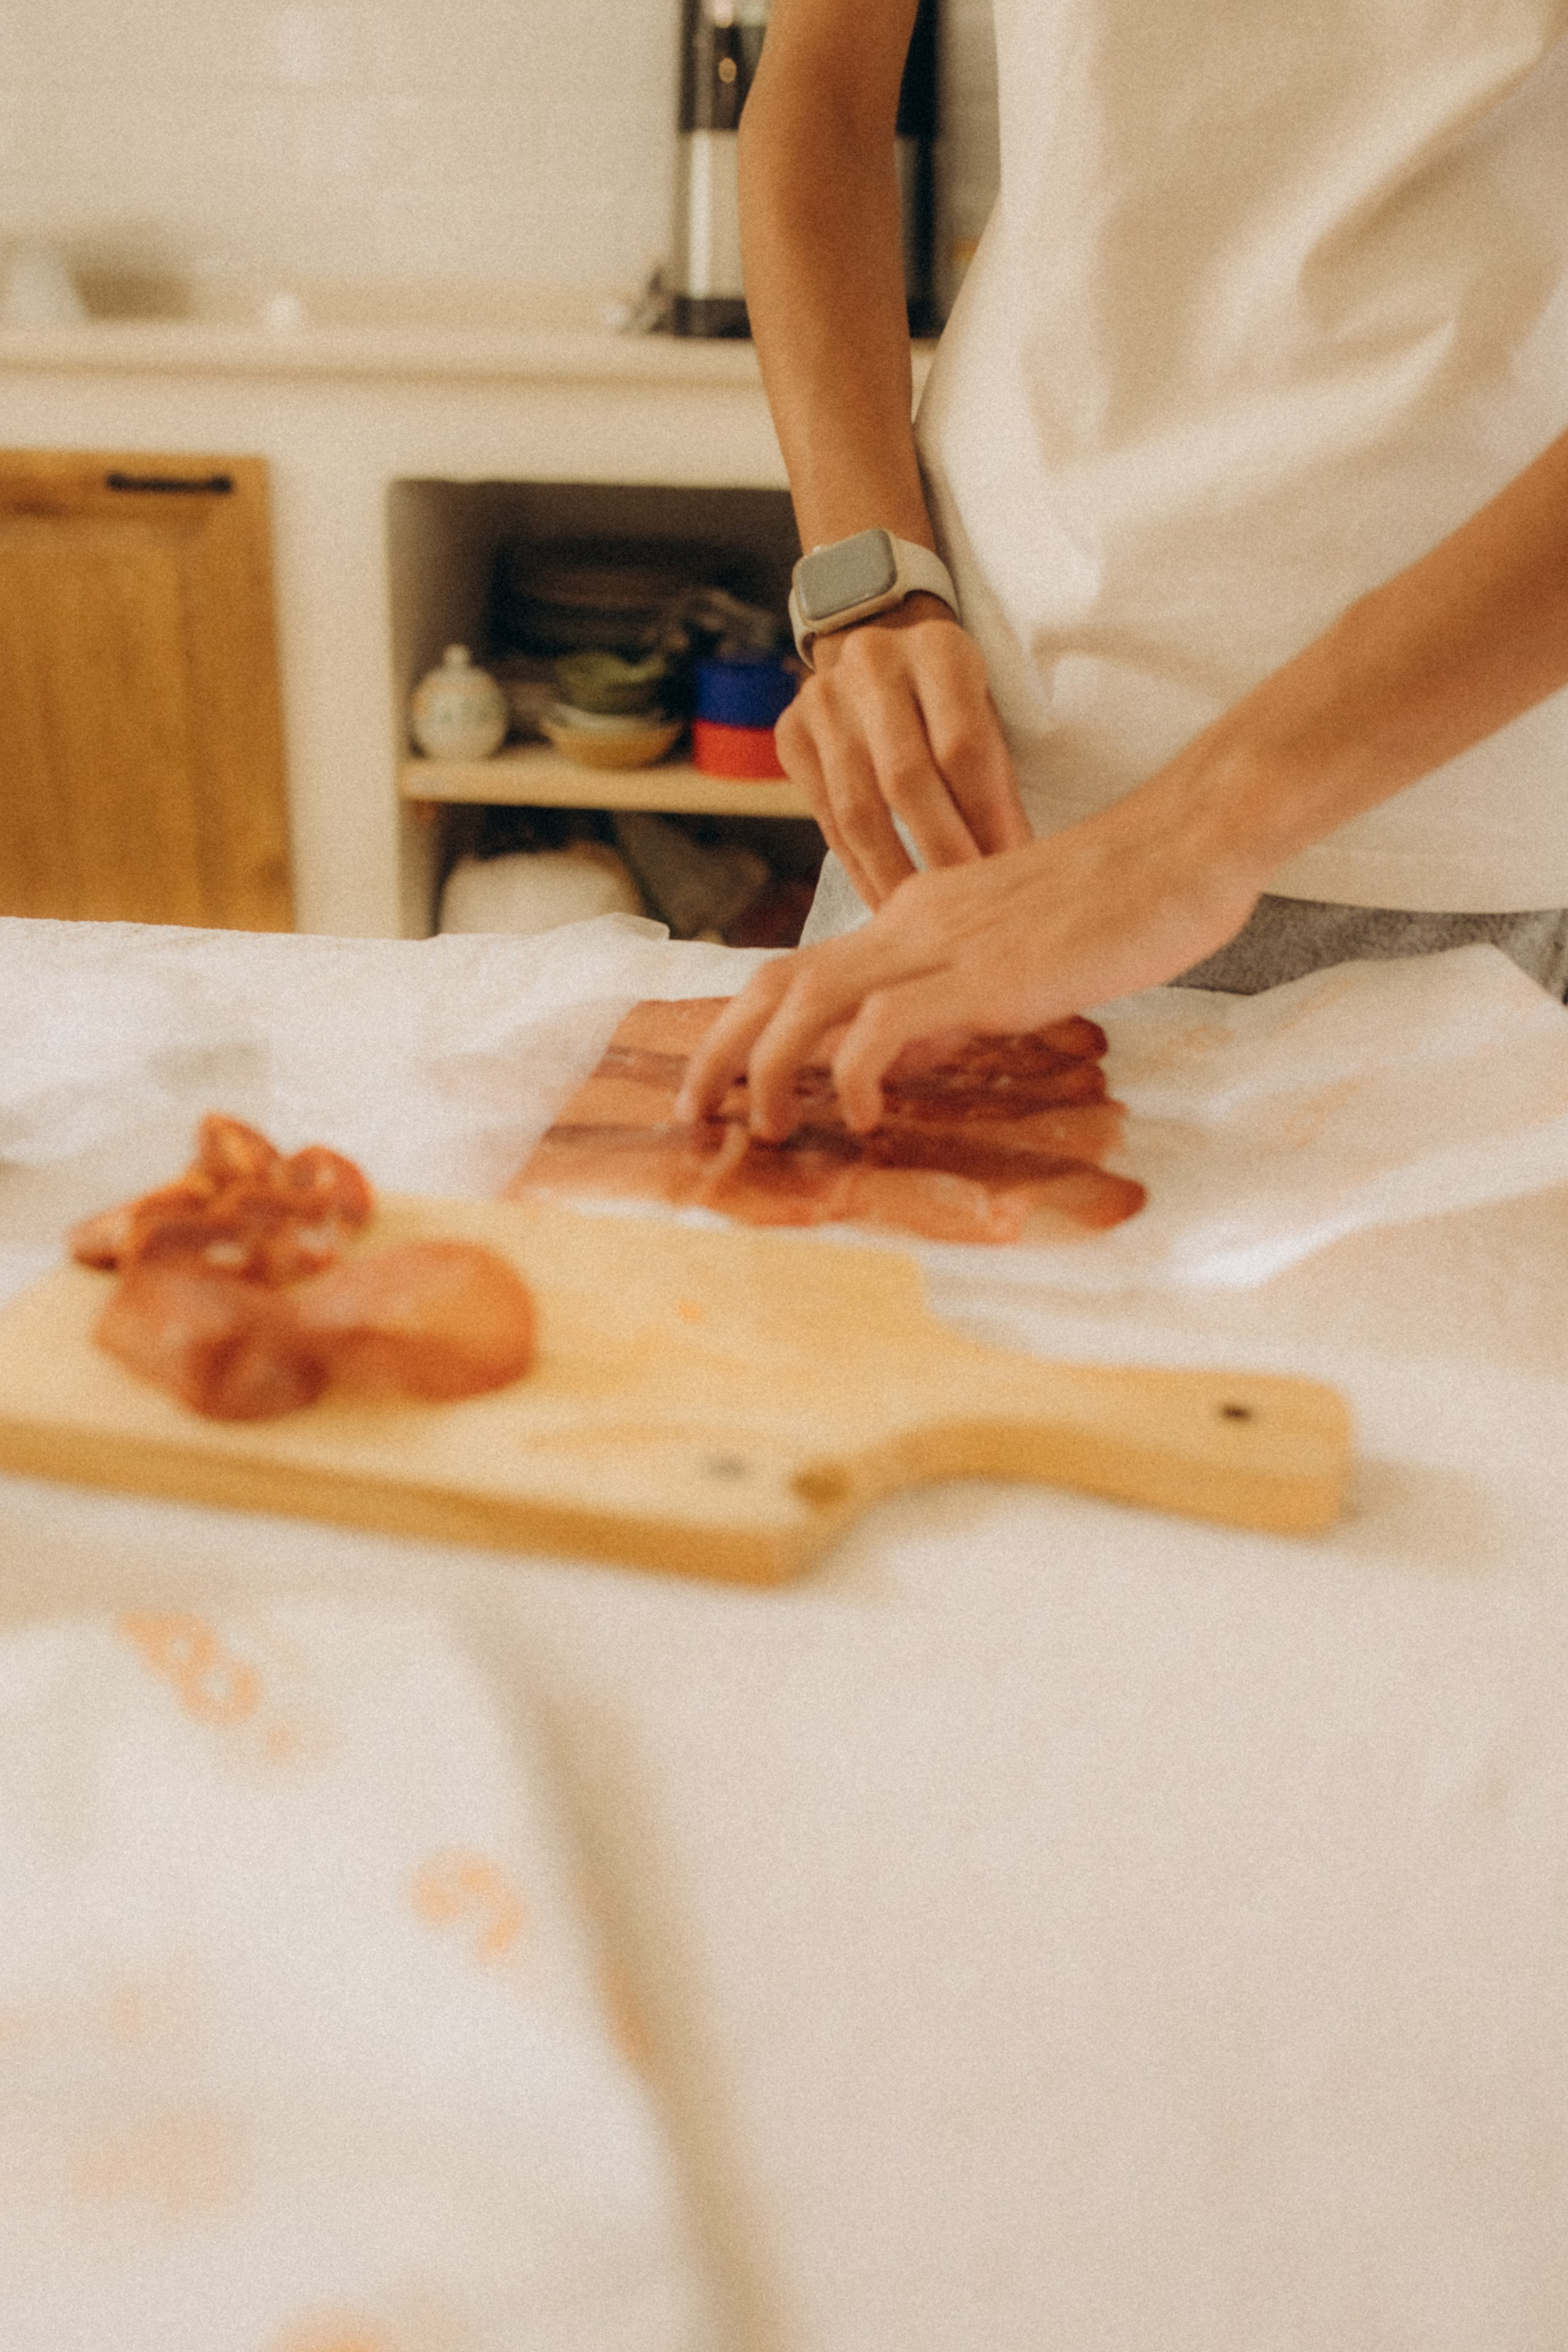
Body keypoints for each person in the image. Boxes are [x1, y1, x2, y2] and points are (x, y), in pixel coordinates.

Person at [678, 0, 1568, 1140]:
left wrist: (1190, 838)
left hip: (1455, 821)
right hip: (975, 801)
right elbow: (823, 97)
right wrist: (868, 590)